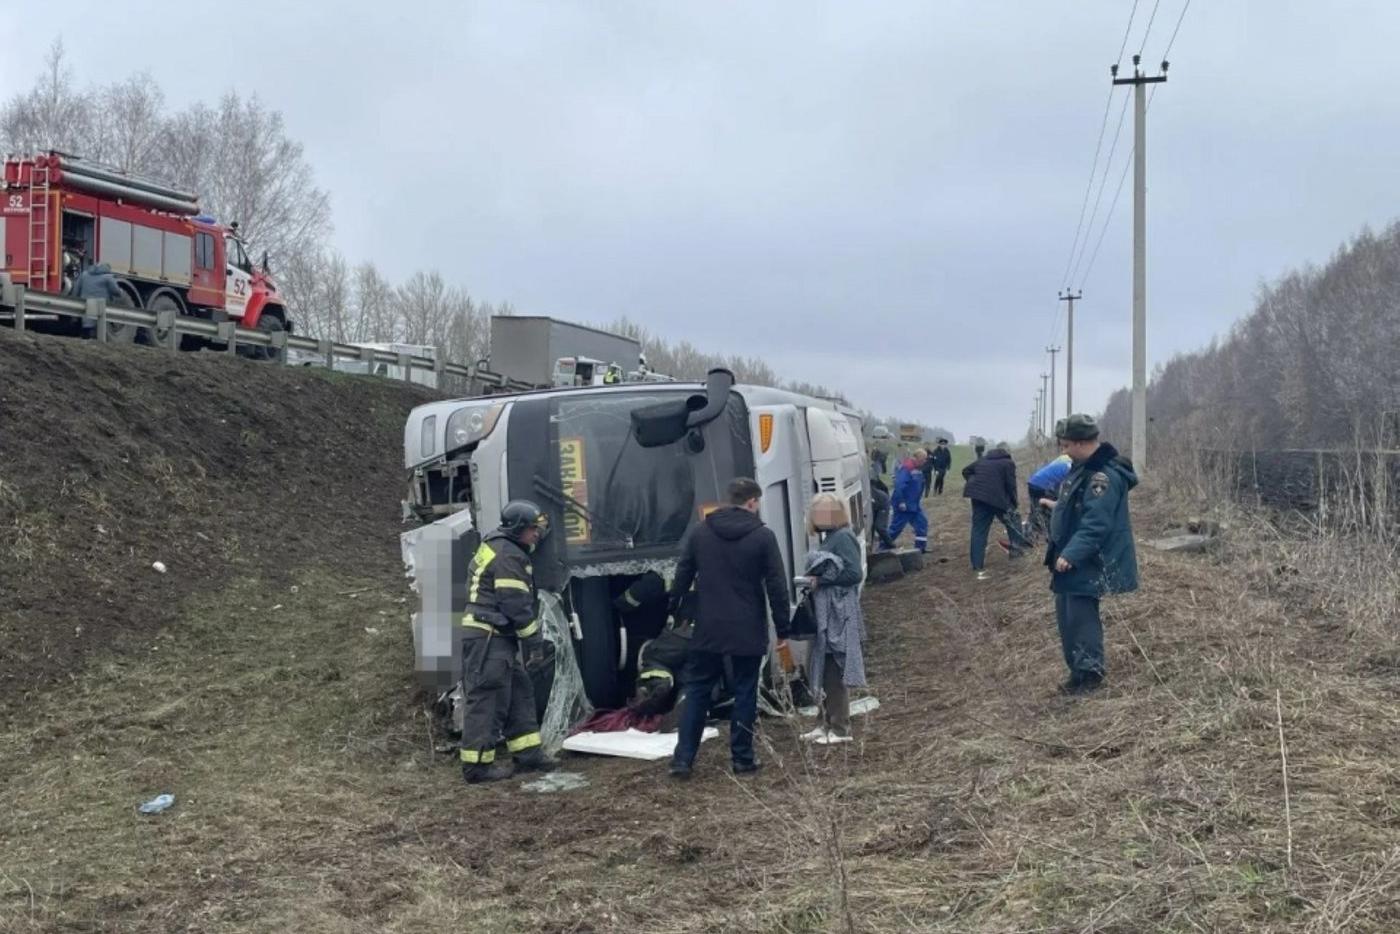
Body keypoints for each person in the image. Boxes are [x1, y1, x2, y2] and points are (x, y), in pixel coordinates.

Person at [668, 478, 791, 778]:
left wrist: (676, 609)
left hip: (708, 625)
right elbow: (776, 585)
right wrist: (783, 626)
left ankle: (683, 760)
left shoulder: (700, 533)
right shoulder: (763, 536)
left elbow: (682, 573)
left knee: (697, 690)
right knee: (745, 690)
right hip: (747, 626)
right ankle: (742, 759)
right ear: (751, 502)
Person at [457, 501, 560, 784]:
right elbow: (515, 605)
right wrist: (535, 643)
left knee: (518, 690)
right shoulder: (509, 557)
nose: (536, 535)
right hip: (489, 637)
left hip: (493, 637)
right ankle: (477, 766)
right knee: (488, 698)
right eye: (532, 530)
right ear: (517, 529)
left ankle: (528, 754)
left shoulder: (499, 546)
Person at [1045, 414, 1139, 694]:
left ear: (1079, 442)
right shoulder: (1081, 468)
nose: (1063, 450)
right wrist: (1057, 508)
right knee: (1067, 616)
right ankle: (1078, 672)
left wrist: (1071, 554)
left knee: (1081, 618)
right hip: (1073, 557)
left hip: (1089, 560)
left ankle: (1089, 675)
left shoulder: (1102, 476)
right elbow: (1080, 508)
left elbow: (1097, 524)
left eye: (1065, 444)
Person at [799, 494, 867, 745]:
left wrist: (822, 580)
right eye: (816, 512)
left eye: (824, 512)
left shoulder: (843, 537)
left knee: (833, 667)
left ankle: (839, 727)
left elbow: (854, 573)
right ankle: (824, 722)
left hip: (838, 612)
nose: (819, 517)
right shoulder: (829, 538)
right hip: (826, 610)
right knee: (820, 664)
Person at [962, 442, 1030, 580]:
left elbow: (966, 471)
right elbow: (1011, 485)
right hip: (997, 499)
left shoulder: (982, 460)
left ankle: (977, 565)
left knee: (979, 530)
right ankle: (1016, 552)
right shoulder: (1007, 463)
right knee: (1014, 520)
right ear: (1007, 451)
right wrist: (1014, 503)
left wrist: (975, 482)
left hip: (979, 498)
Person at [1025, 448, 1073, 543]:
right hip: (1041, 485)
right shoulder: (1071, 465)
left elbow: (1057, 482)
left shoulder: (1063, 459)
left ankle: (1030, 533)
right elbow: (1065, 486)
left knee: (1036, 510)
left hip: (1034, 482)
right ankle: (1050, 537)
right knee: (1048, 511)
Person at [888, 449, 930, 552]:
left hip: (914, 505)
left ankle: (920, 548)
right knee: (896, 528)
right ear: (917, 458)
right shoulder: (907, 468)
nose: (925, 462)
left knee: (922, 524)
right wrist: (901, 501)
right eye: (923, 459)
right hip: (904, 505)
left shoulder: (918, 468)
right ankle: (882, 547)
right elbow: (899, 485)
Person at [868, 463, 897, 551]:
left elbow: (883, 487)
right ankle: (871, 549)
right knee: (870, 527)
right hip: (872, 504)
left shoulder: (872, 479)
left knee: (879, 526)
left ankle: (891, 545)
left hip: (882, 502)